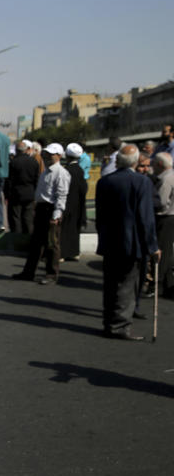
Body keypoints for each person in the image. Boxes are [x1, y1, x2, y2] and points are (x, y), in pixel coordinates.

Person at [95, 144, 159, 340]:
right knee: (127, 285)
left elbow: (100, 215)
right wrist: (152, 246)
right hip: (131, 243)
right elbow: (145, 218)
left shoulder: (105, 182)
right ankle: (120, 326)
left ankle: (109, 322)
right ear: (135, 162)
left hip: (109, 240)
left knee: (111, 283)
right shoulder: (142, 183)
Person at [12, 144, 71, 284]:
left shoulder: (61, 173)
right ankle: (29, 272)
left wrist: (56, 215)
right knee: (36, 243)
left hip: (51, 210)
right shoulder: (46, 171)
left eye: (50, 154)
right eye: (45, 154)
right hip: (41, 209)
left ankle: (51, 274)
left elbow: (61, 195)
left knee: (51, 244)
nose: (46, 156)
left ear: (59, 156)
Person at [61, 143, 89, 261]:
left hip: (67, 203)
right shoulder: (80, 170)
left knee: (64, 229)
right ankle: (73, 252)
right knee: (74, 229)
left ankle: (62, 253)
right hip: (77, 204)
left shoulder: (66, 170)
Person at [5, 140, 40, 235]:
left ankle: (16, 238)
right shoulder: (34, 162)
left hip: (16, 194)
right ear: (26, 150)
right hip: (30, 194)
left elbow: (9, 181)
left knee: (15, 217)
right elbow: (37, 179)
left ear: (16, 151)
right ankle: (28, 237)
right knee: (28, 217)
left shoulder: (13, 163)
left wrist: (6, 195)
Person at [152, 152, 174, 297]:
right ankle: (167, 284)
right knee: (167, 252)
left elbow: (161, 202)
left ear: (159, 164)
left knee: (162, 253)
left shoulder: (165, 179)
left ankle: (158, 285)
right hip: (170, 217)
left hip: (165, 218)